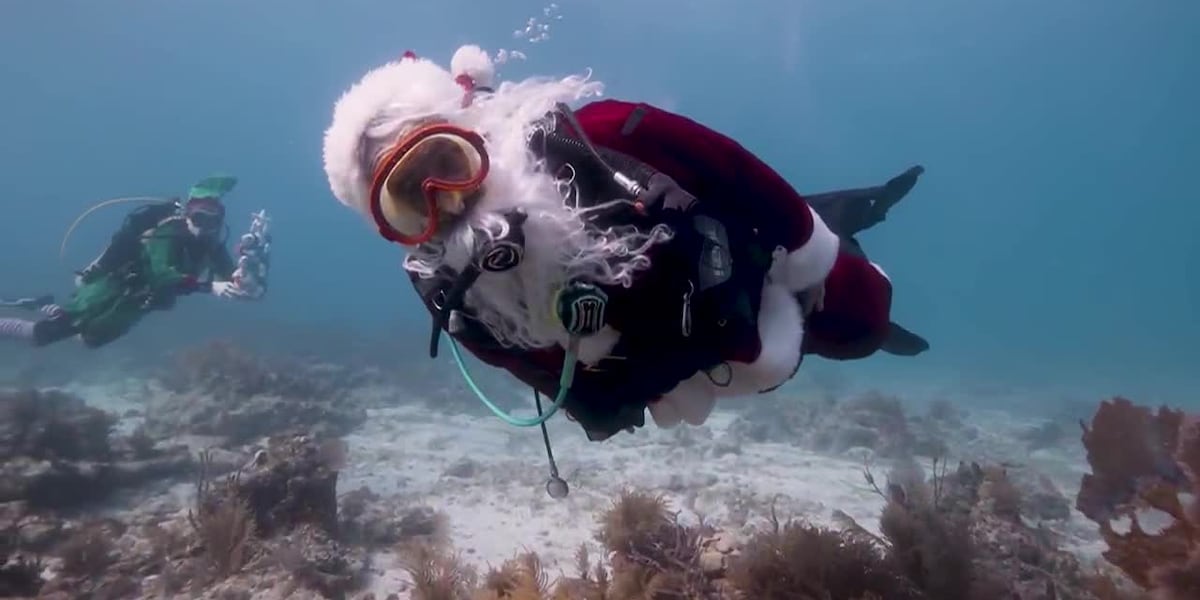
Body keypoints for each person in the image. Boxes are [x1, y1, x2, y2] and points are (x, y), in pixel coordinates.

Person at [321, 44, 928, 443]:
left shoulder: (600, 136)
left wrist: (804, 244)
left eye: (445, 164)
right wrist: (612, 400)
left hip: (751, 268)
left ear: (470, 131)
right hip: (703, 345)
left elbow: (726, 166)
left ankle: (844, 216)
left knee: (862, 323)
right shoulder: (454, 299)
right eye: (409, 202)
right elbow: (526, 366)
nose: (446, 202)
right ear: (392, 229)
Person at [0, 175, 260, 349]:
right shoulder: (167, 233)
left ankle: (46, 305)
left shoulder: (212, 244)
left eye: (213, 220)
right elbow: (161, 273)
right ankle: (25, 316)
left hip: (136, 304)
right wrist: (208, 287)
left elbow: (228, 275)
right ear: (188, 213)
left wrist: (243, 278)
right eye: (199, 217)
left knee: (90, 341)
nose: (205, 226)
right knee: (46, 335)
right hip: (111, 289)